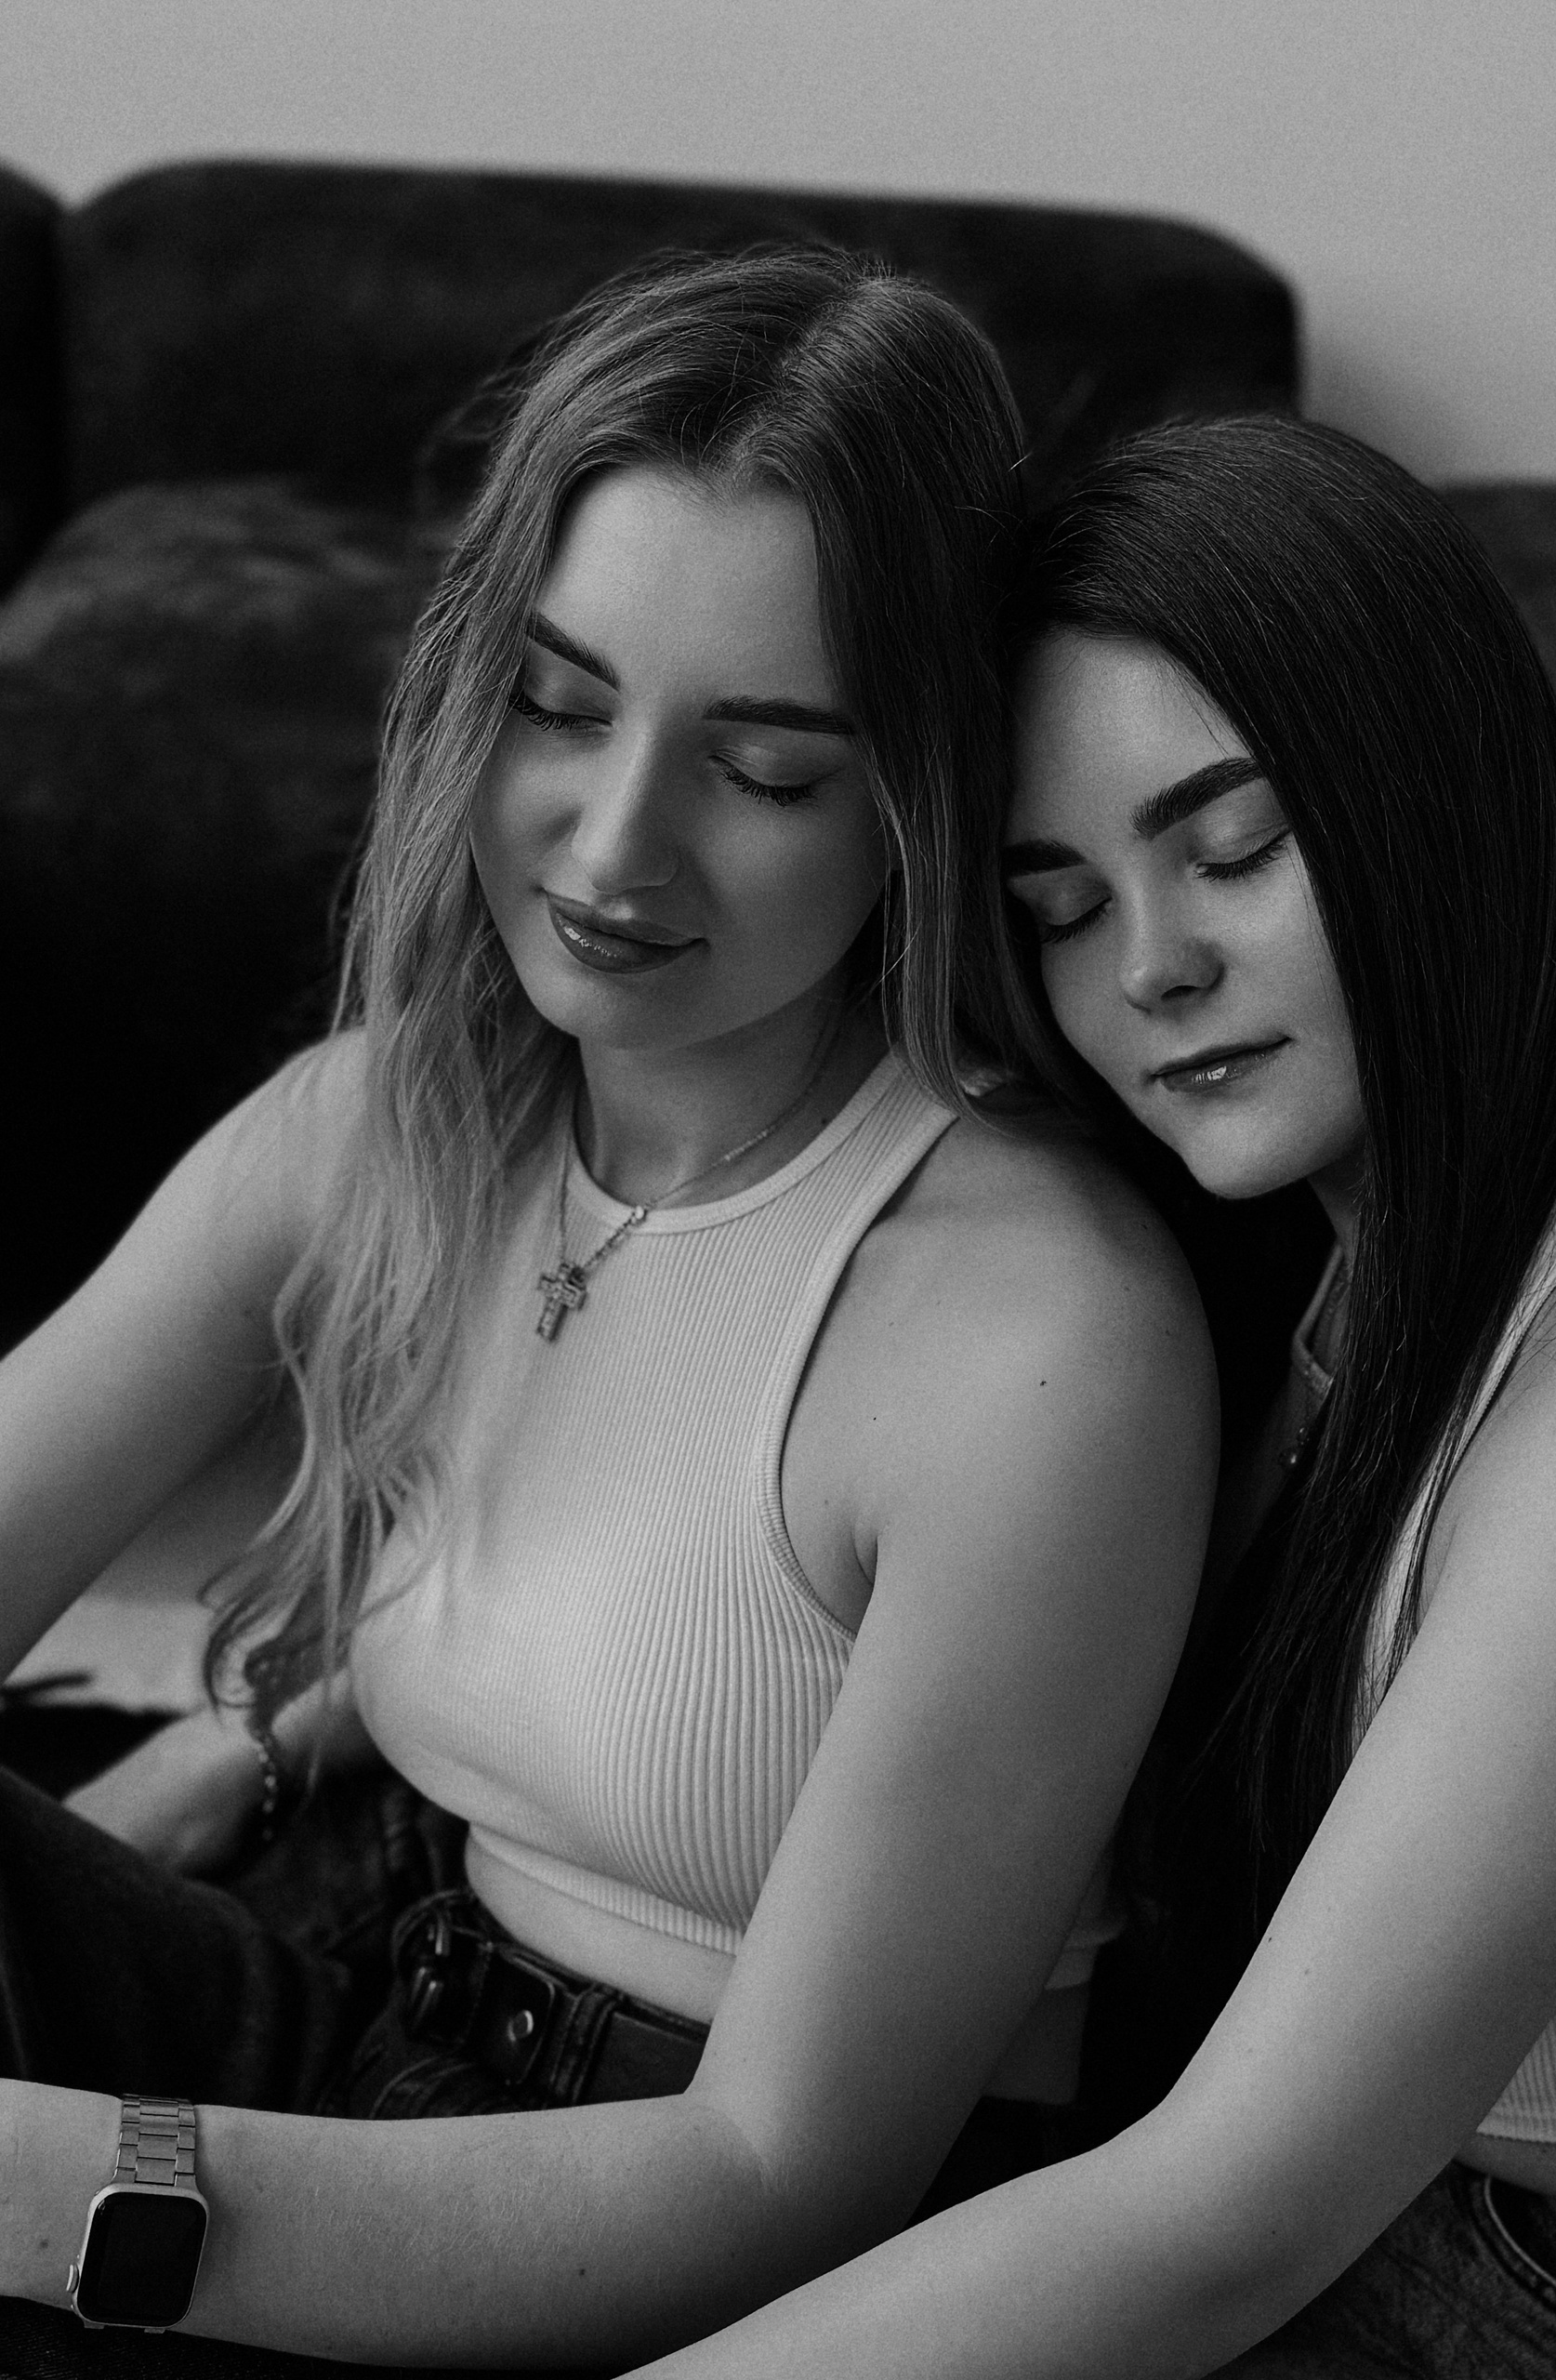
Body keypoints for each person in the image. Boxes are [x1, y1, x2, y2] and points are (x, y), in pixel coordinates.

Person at [0, 254, 1214, 2370]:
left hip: (669, 2233)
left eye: (767, 770)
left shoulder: (1033, 1338)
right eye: (561, 706)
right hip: (358, 1993)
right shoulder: (392, 1121)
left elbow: (784, 2181)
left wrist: (63, 2190)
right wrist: (221, 1757)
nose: (615, 845)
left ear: (922, 799)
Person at [627, 415, 1556, 2378]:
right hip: (1339, 2207)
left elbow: (1218, 2214)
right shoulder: (1294, 1246)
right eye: (1064, 906)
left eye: (1234, 848)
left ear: (1448, 792)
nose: (1151, 968)